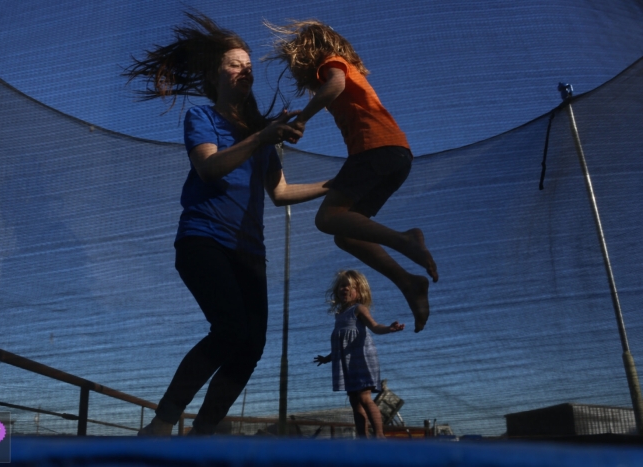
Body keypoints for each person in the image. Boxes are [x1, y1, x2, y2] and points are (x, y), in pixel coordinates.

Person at [125, 13, 331, 436]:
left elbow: (280, 193)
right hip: (204, 240)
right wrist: (263, 136)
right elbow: (208, 169)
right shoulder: (203, 117)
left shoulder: (260, 131)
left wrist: (335, 183)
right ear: (215, 74)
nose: (245, 70)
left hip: (250, 252)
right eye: (235, 64)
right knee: (231, 329)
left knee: (251, 345)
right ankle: (162, 423)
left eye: (249, 66)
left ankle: (202, 433)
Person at [265, 20, 438, 333]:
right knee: (347, 234)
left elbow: (335, 86)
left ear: (309, 52)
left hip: (375, 150)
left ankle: (405, 240)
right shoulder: (348, 69)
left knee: (326, 218)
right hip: (395, 157)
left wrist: (301, 120)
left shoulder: (332, 63)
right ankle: (409, 282)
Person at [314, 270, 404, 439]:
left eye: (349, 286)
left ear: (359, 291)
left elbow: (375, 327)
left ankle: (379, 435)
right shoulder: (339, 316)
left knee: (364, 397)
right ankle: (362, 437)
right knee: (354, 401)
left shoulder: (359, 309)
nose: (344, 289)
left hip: (362, 359)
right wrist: (327, 358)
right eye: (342, 285)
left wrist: (389, 329)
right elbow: (341, 346)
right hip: (347, 364)